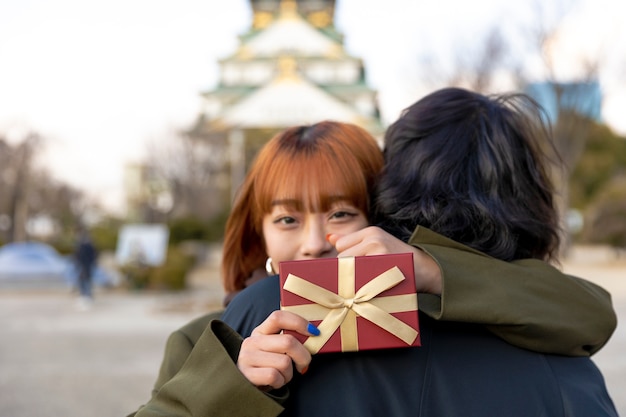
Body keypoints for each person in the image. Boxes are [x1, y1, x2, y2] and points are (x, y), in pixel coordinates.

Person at [128, 109, 617, 417]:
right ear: (254, 228)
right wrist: (230, 383)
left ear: (380, 215)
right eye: (286, 219)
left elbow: (590, 313)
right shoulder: (216, 335)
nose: (315, 243)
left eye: (341, 213)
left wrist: (430, 268)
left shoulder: (397, 303)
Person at [74, 229, 97, 309]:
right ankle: (84, 295)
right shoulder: (80, 246)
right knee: (82, 281)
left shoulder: (87, 246)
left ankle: (87, 296)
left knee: (86, 281)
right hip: (82, 266)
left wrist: (88, 265)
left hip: (86, 266)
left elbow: (91, 257)